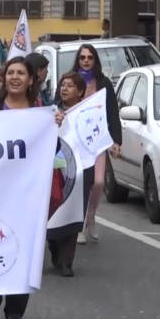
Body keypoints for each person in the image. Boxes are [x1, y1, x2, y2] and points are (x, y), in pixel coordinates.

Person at [0, 56, 64, 319]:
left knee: (24, 248)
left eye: (20, 73)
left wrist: (56, 124)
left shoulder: (42, 110)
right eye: (10, 72)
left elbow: (53, 148)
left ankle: (15, 311)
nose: (15, 77)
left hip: (28, 195)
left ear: (30, 80)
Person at [69, 43, 121, 244]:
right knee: (81, 183)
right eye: (82, 57)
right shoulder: (69, 80)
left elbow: (112, 112)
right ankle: (79, 224)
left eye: (90, 57)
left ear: (95, 60)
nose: (86, 61)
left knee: (99, 182)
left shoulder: (104, 83)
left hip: (98, 140)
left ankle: (91, 216)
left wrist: (116, 140)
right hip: (75, 142)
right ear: (78, 59)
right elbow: (60, 105)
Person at [48, 72, 89, 277]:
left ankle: (67, 261)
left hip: (79, 170)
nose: (64, 88)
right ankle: (54, 248)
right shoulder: (50, 111)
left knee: (73, 211)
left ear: (80, 91)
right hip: (54, 169)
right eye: (63, 85)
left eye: (70, 85)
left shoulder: (86, 113)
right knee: (54, 207)